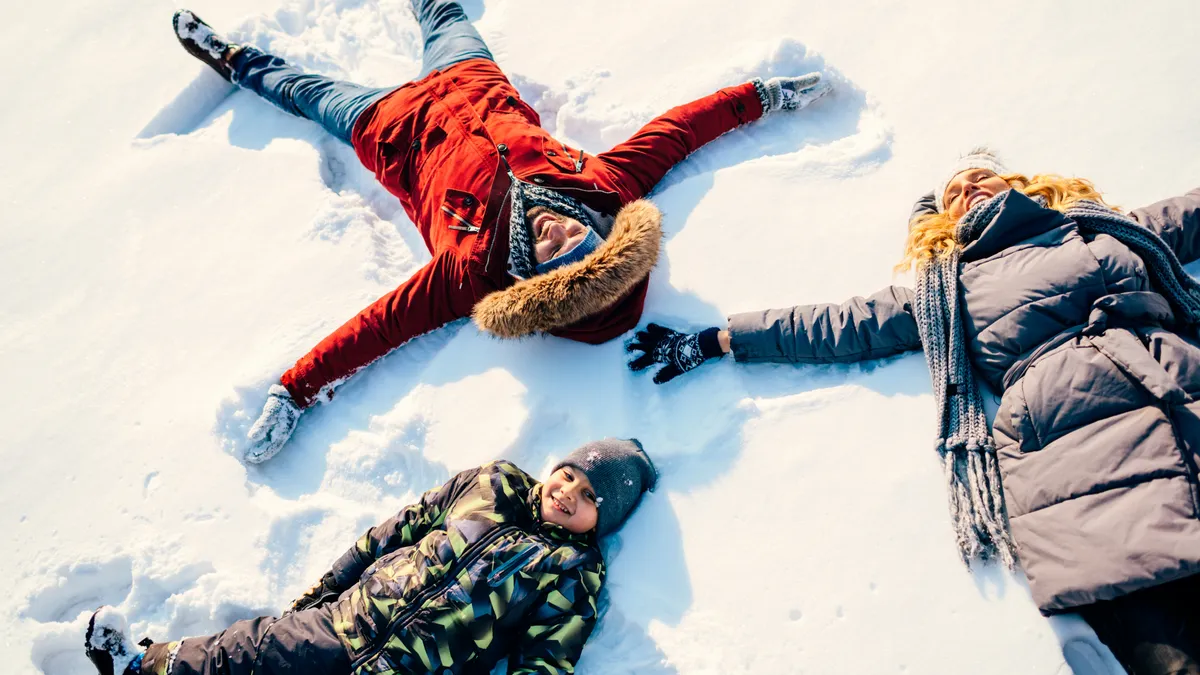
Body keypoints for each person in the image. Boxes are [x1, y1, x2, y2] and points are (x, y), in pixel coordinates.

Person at [170, 3, 832, 464]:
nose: (555, 230)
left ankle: (231, 60)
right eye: (577, 236)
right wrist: (765, 97)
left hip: (392, 128)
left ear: (535, 280)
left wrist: (294, 390)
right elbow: (683, 129)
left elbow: (376, 328)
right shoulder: (605, 188)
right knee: (443, 13)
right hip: (473, 80)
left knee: (301, 91)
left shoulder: (471, 275)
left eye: (550, 252)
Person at [628, 147, 1200, 675]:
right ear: (941, 222)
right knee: (1168, 650)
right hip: (1068, 457)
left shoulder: (1100, 227)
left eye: (981, 176)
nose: (968, 189)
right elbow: (840, 325)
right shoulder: (943, 289)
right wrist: (719, 340)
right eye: (952, 192)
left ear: (1018, 183)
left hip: (1174, 387)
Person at [83, 438, 657, 675]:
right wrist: (326, 591)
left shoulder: (572, 573)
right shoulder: (494, 483)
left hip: (411, 671)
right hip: (346, 621)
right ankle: (144, 666)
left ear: (600, 522)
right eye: (570, 475)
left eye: (589, 499)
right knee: (243, 652)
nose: (568, 494)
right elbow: (395, 531)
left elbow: (545, 663)